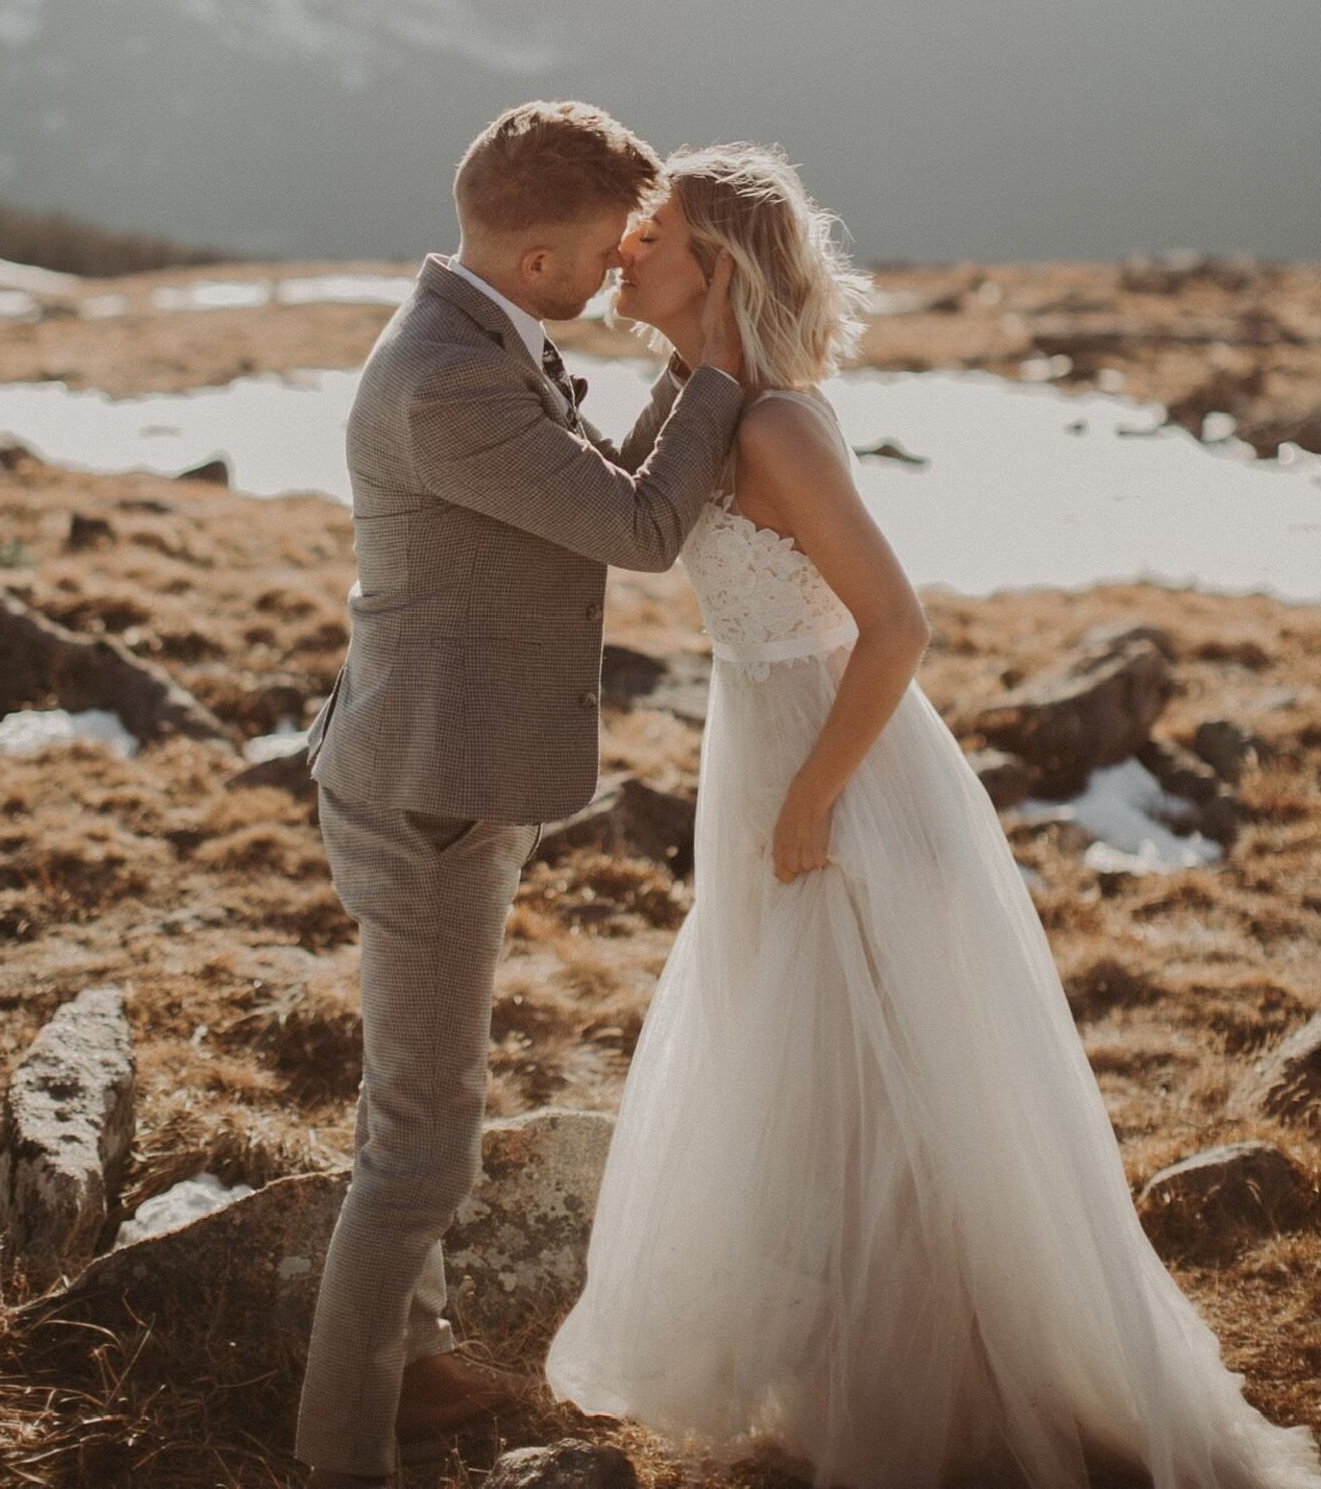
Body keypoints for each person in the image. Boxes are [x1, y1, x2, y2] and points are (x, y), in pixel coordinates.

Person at [546, 143, 1321, 1489]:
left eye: (652, 233)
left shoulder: (777, 427)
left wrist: (810, 802)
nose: (624, 249)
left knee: (899, 1093)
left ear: (715, 263)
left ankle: (954, 1398)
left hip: (846, 778)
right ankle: (856, 1369)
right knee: (814, 1087)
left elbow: (899, 628)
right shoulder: (694, 402)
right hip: (768, 757)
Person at [295, 100, 746, 1487]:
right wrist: (718, 362)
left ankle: (415, 1363)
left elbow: (594, 482)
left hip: (435, 767)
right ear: (541, 261)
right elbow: (638, 525)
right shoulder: (451, 378)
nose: (623, 272)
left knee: (417, 1106)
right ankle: (341, 1453)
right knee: (423, 1147)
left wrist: (684, 372)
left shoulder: (480, 335)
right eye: (612, 252)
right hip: (430, 792)